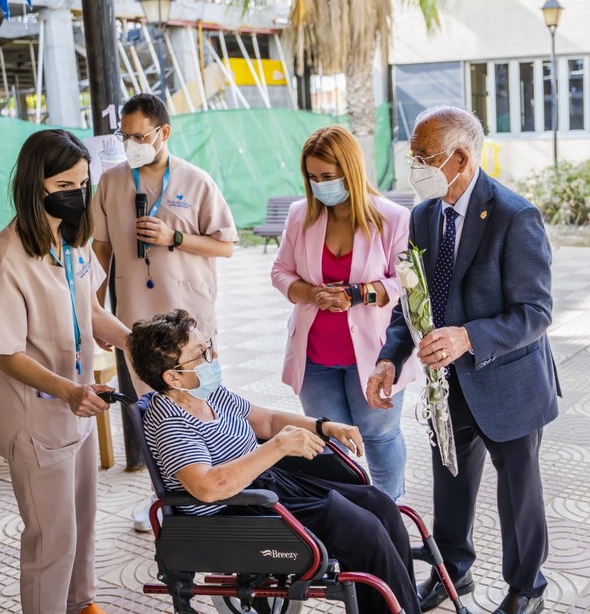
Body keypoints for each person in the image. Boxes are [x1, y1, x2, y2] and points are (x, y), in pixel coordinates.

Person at [366, 106, 560, 614]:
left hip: (510, 384)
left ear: (461, 157)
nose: (416, 167)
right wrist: (391, 359)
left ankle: (527, 588)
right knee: (450, 486)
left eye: (423, 157)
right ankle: (453, 571)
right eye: (412, 157)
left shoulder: (515, 215)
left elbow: (536, 312)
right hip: (446, 386)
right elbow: (413, 305)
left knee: (518, 496)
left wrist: (468, 337)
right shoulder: (423, 217)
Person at [126, 309, 423, 614]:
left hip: (266, 488)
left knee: (379, 505)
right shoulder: (171, 422)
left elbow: (266, 421)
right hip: (236, 509)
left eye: (207, 347)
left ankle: (404, 604)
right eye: (199, 354)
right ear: (173, 377)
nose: (210, 358)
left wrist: (324, 426)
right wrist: (278, 447)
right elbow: (207, 487)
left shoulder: (209, 394)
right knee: (365, 533)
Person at [0, 129, 131, 614]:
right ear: (34, 185)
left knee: (84, 522)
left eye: (83, 183)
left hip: (79, 407)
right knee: (52, 540)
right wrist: (67, 390)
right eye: (65, 185)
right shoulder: (8, 257)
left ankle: (83, 603)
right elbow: (6, 354)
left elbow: (89, 309)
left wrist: (137, 341)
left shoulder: (74, 243)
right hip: (38, 417)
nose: (78, 194)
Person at [92, 93, 237, 531]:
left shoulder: (196, 181)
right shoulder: (112, 182)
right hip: (135, 316)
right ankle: (164, 498)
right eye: (126, 135)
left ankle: (217, 488)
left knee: (199, 402)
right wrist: (95, 306)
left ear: (164, 132)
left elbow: (226, 245)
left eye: (140, 136)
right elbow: (100, 247)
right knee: (152, 409)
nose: (132, 143)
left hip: (188, 322)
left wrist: (175, 238)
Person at [271, 125, 418, 500]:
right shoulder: (300, 215)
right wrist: (311, 293)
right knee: (329, 443)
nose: (320, 184)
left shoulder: (392, 218)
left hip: (373, 356)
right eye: (313, 177)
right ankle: (347, 520)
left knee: (380, 437)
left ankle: (391, 517)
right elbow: (280, 271)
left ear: (350, 171)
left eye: (328, 176)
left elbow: (408, 281)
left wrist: (359, 295)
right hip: (316, 356)